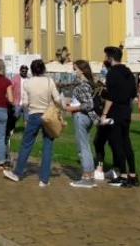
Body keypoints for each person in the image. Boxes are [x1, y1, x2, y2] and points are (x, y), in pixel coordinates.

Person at [3, 59, 60, 186]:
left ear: (32, 70)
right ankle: (44, 179)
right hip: (48, 115)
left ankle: (18, 172)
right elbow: (57, 98)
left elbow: (25, 103)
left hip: (34, 115)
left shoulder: (27, 83)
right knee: (47, 145)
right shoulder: (49, 81)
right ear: (43, 69)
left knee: (26, 144)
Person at [102, 46, 139, 187]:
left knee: (116, 143)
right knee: (126, 142)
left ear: (111, 58)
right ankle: (133, 174)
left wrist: (104, 114)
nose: (105, 59)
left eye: (106, 56)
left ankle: (123, 174)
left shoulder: (111, 74)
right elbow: (132, 93)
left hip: (115, 111)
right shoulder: (128, 72)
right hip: (126, 110)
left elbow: (110, 97)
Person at [64, 60, 100, 188]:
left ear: (82, 70)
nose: (74, 71)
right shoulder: (88, 84)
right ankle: (89, 175)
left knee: (82, 148)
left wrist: (71, 108)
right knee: (86, 146)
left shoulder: (83, 85)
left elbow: (88, 104)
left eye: (75, 69)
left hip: (81, 117)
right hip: (86, 118)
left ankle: (86, 177)